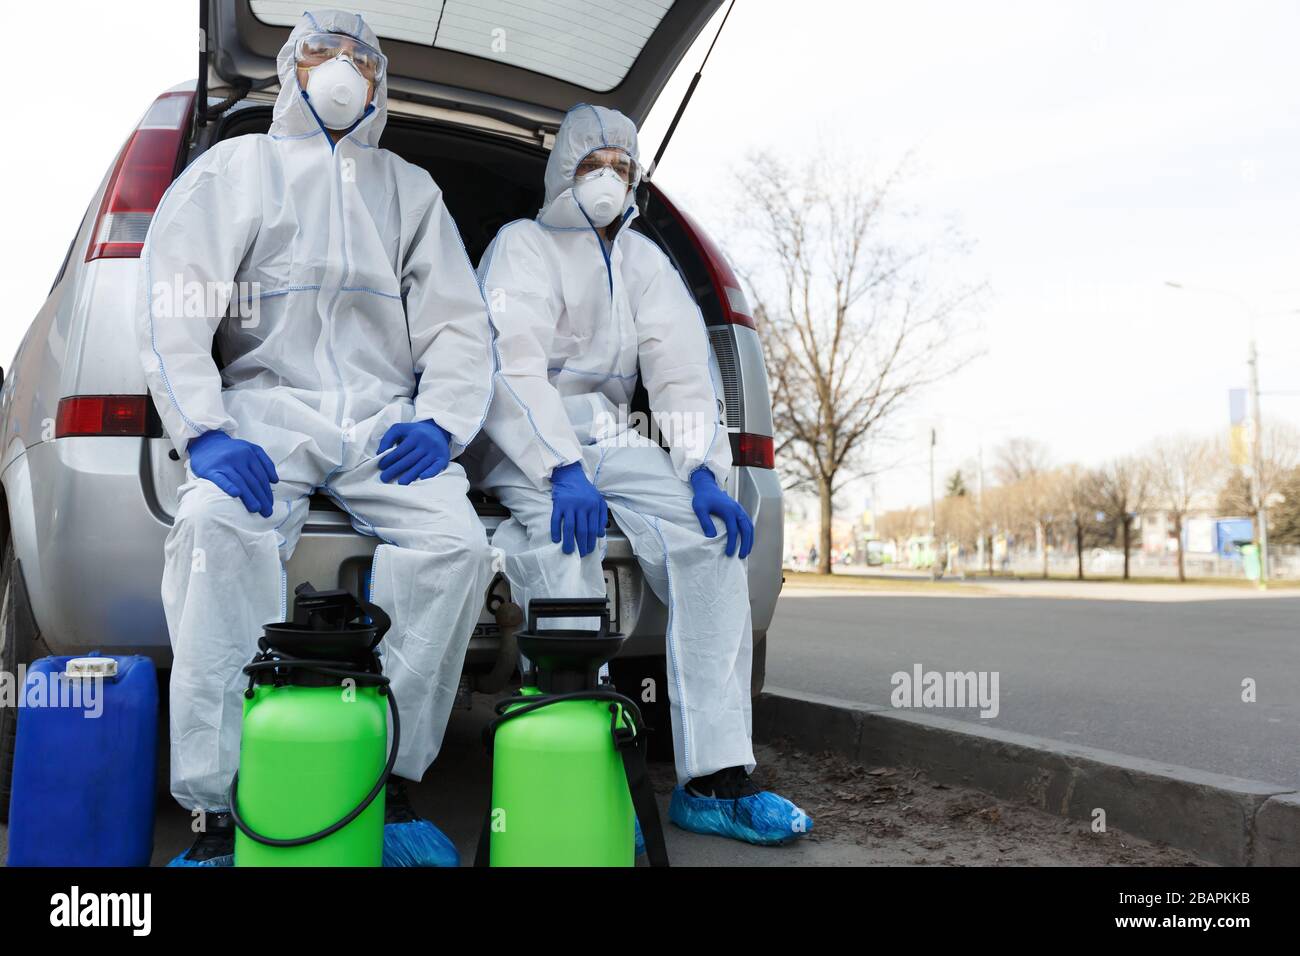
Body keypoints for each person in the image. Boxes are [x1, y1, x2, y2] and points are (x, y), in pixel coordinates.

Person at [136, 9, 496, 866]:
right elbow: (175, 300)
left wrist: (444, 421)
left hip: (382, 422)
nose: (343, 69)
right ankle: (220, 813)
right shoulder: (238, 167)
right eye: (325, 52)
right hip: (266, 412)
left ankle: (388, 780)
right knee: (217, 529)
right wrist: (204, 430)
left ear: (379, 83)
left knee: (454, 546)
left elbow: (456, 323)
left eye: (360, 59)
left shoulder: (409, 188)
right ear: (294, 68)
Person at [470, 104, 812, 846]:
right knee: (568, 545)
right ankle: (580, 773)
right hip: (524, 435)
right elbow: (508, 366)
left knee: (711, 540)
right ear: (564, 169)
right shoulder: (519, 246)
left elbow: (684, 373)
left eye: (621, 167)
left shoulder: (644, 262)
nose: (607, 179)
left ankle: (715, 780)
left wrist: (702, 472)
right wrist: (559, 468)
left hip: (610, 431)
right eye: (592, 165)